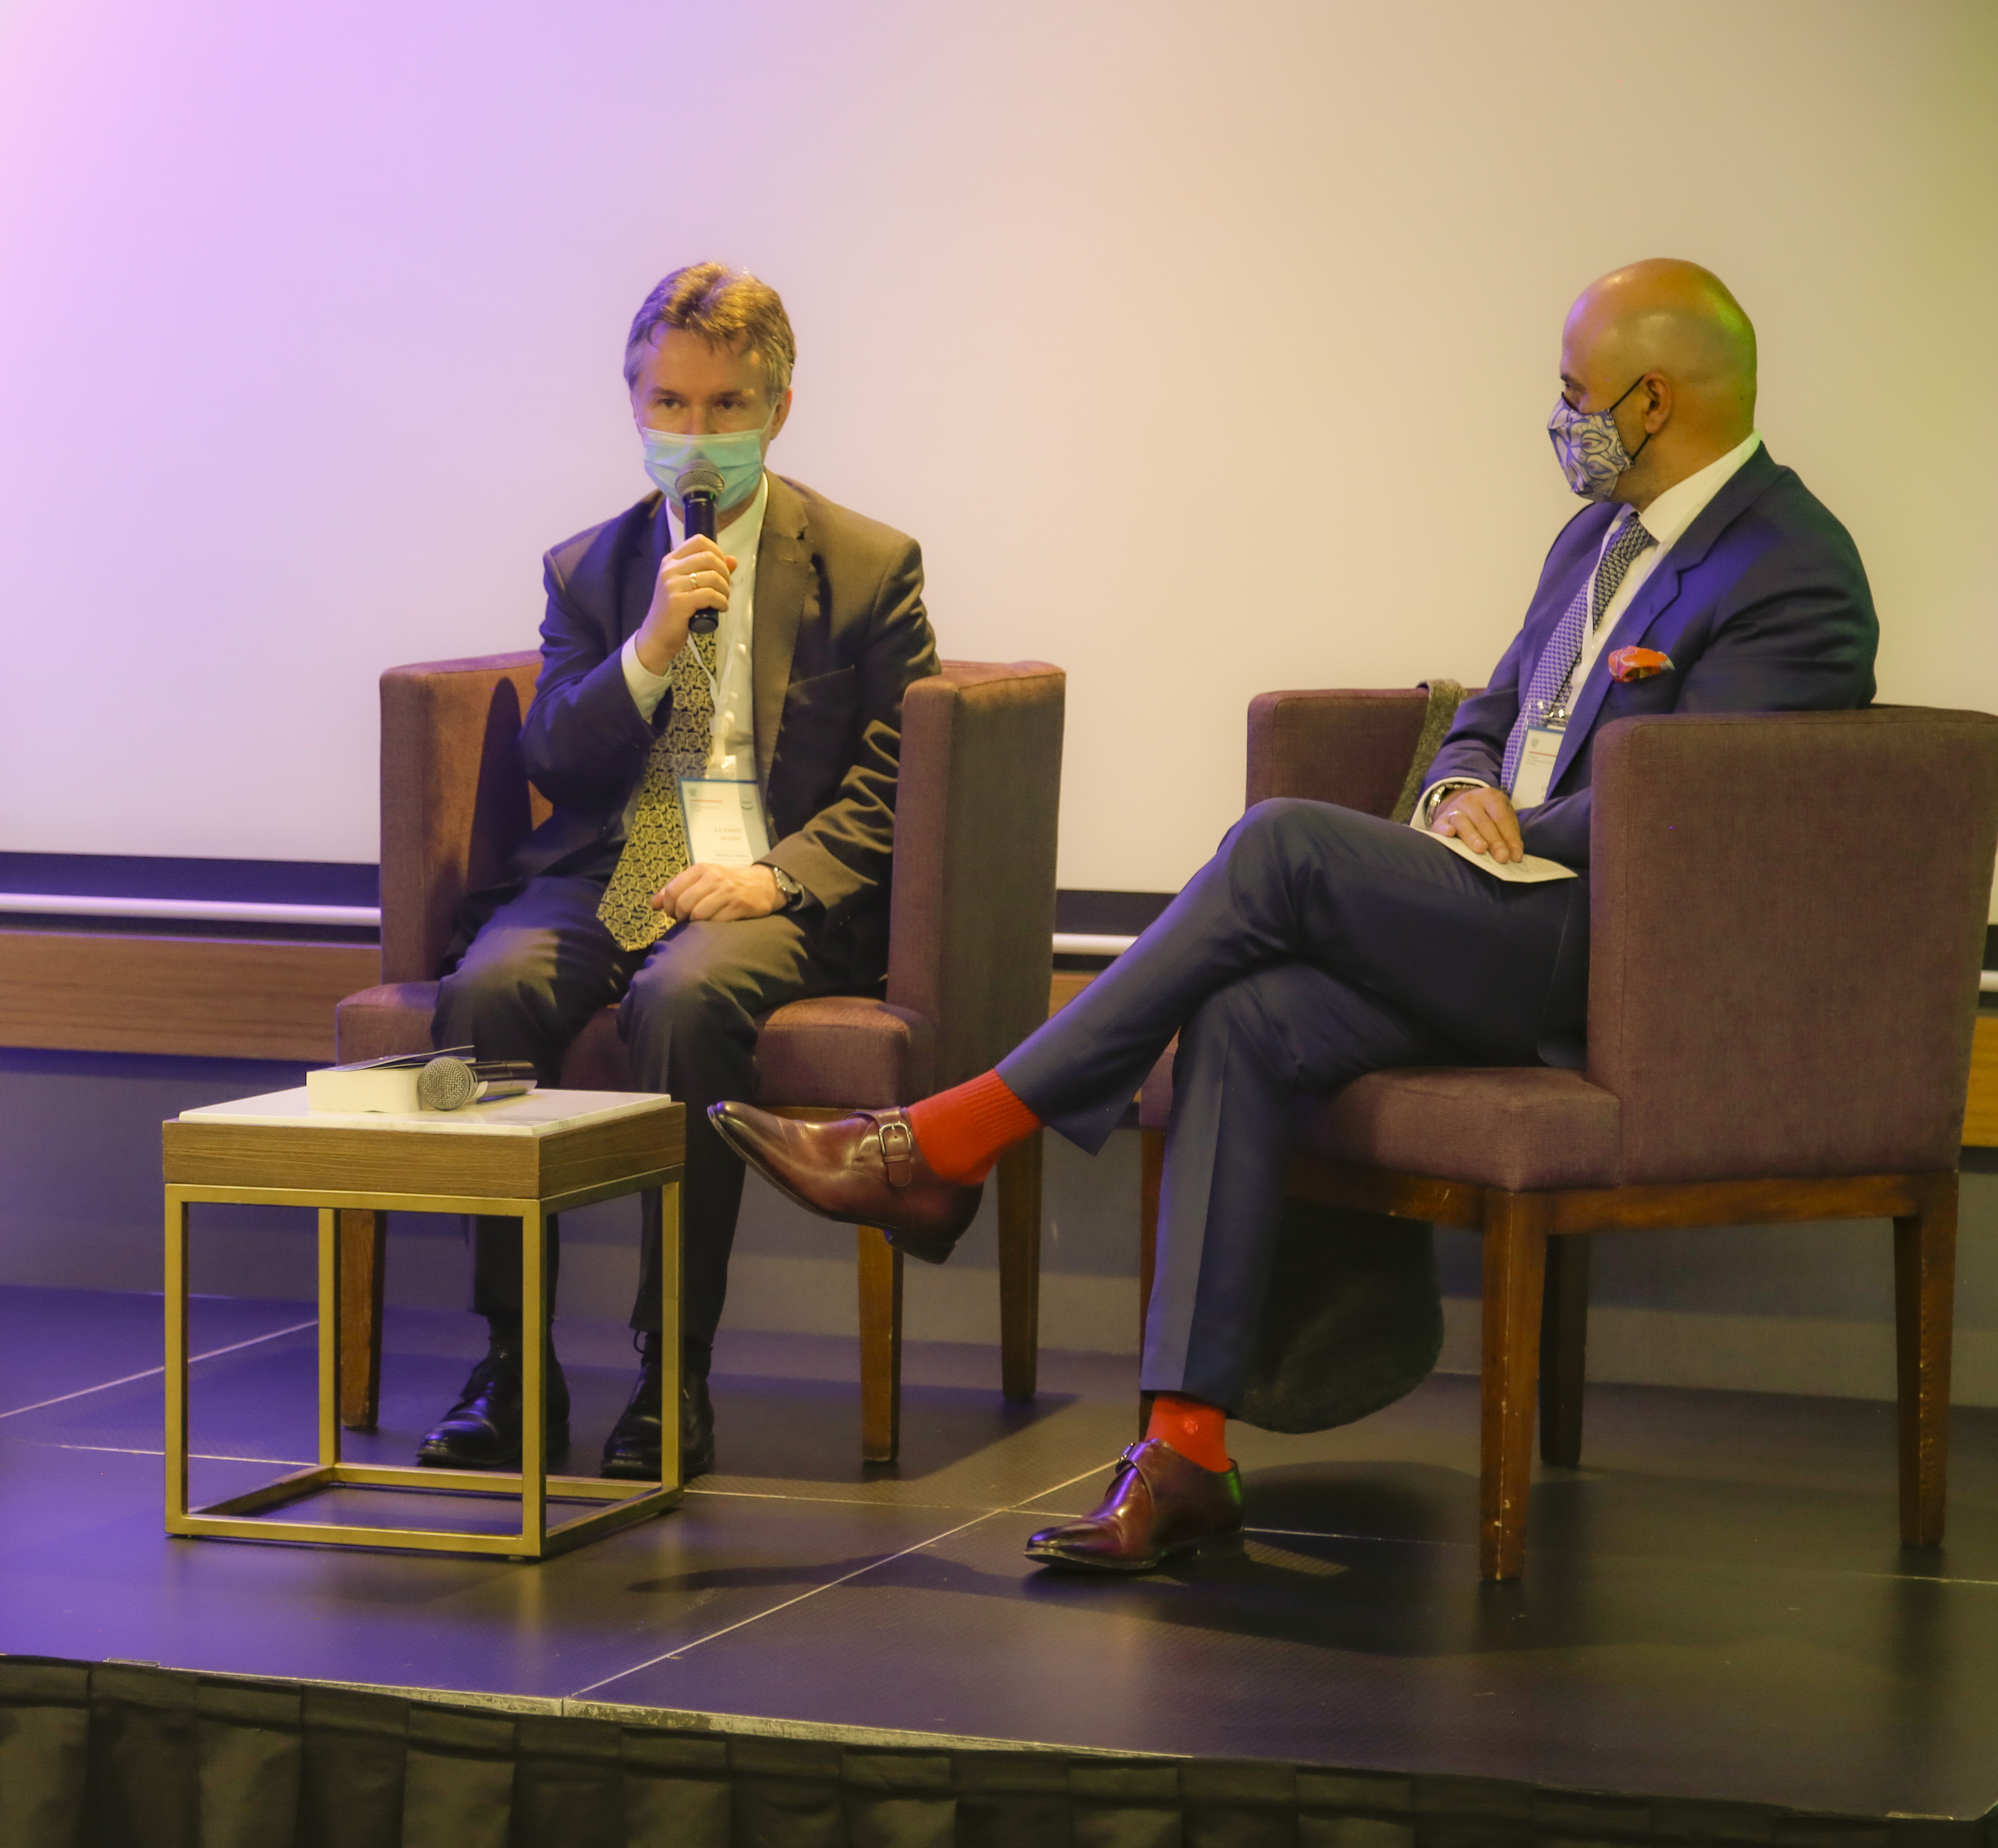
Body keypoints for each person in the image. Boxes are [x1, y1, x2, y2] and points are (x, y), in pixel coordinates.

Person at [713, 258, 1878, 1565]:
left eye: (1573, 395)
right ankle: (1184, 1455)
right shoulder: (1596, 537)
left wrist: (1506, 836)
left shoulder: (1790, 571)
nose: (1560, 420)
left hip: (1600, 957)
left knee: (1278, 845)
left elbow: (1694, 829)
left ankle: (951, 1140)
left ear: (1651, 400)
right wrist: (1455, 790)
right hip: (1490, 916)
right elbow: (1492, 715)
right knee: (1249, 1014)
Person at [419, 262, 942, 1479]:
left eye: (724, 406)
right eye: (668, 404)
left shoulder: (870, 565)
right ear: (634, 407)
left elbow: (901, 774)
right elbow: (555, 755)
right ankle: (513, 1359)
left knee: (684, 998)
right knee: (486, 991)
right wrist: (649, 648)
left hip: (768, 880)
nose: (694, 435)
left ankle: (673, 1370)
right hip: (614, 865)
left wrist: (777, 879)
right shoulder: (590, 570)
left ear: (777, 411)